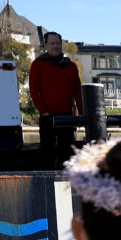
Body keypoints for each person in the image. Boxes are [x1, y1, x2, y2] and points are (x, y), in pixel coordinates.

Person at [29, 32, 83, 169]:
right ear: (46, 45)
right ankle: (46, 187)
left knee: (67, 155)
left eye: (58, 43)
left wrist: (81, 114)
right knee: (47, 154)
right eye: (52, 43)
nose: (55, 46)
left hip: (67, 118)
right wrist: (44, 112)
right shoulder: (37, 64)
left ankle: (66, 186)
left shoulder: (71, 66)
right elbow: (34, 91)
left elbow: (78, 92)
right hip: (48, 117)